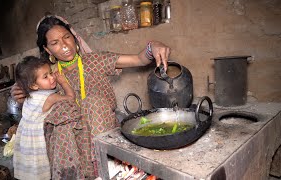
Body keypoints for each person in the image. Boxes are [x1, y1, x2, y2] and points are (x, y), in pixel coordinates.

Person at [10, 15, 170, 179]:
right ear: (48, 50)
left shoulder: (95, 60)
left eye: (67, 37)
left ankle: (105, 169)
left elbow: (139, 59)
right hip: (69, 146)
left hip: (100, 133)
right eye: (55, 43)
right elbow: (28, 97)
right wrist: (20, 92)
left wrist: (153, 47)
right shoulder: (47, 76)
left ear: (74, 38)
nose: (64, 45)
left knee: (93, 103)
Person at [13, 56, 76, 179]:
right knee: (39, 166)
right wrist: (63, 82)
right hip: (36, 139)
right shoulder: (49, 97)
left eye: (51, 73)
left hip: (25, 136)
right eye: (46, 76)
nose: (53, 77)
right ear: (34, 85)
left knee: (28, 165)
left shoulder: (29, 95)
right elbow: (71, 98)